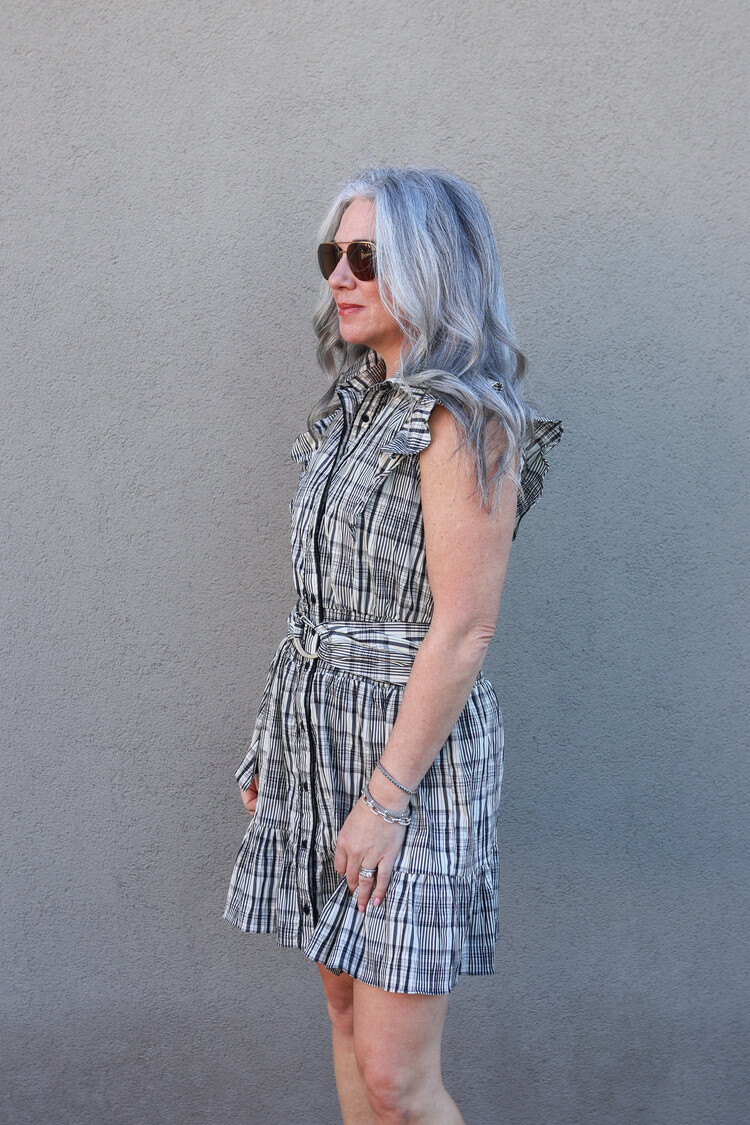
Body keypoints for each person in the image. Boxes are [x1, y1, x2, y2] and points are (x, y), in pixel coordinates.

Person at [224, 165, 562, 1125]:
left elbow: (463, 629)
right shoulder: (352, 406)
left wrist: (384, 801)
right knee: (342, 1014)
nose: (339, 275)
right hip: (318, 734)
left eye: (366, 256)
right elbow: (319, 601)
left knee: (396, 1080)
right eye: (333, 253)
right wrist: (273, 739)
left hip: (412, 760)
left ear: (432, 269)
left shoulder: (464, 421)